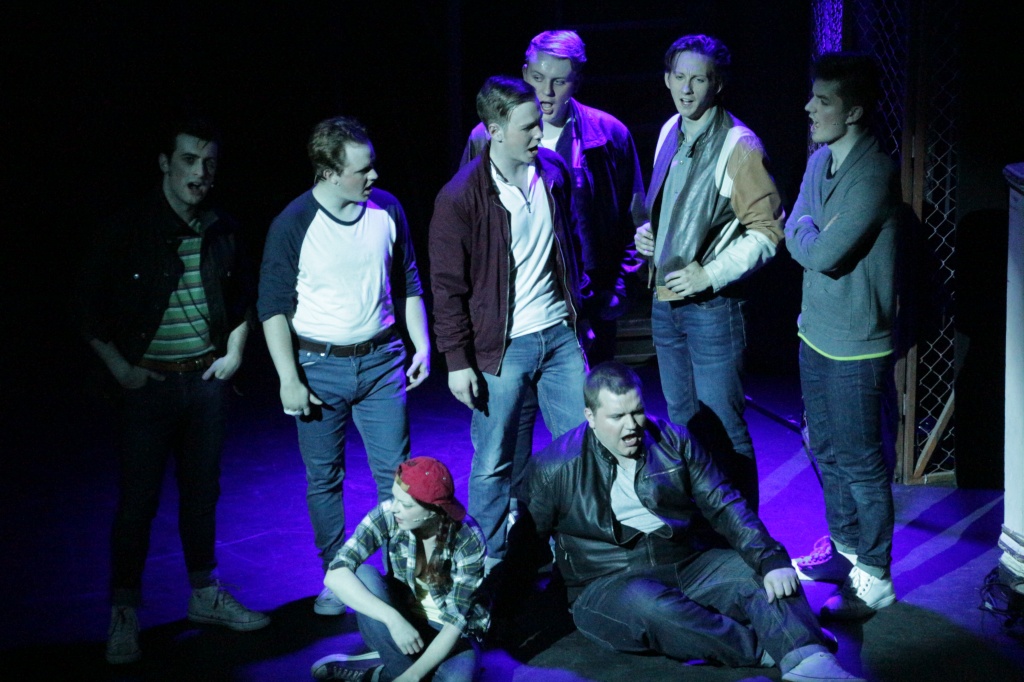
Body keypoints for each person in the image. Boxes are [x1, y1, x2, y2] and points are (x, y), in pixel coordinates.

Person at [514, 362, 864, 681]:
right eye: (617, 416)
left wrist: (769, 558)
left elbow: (724, 503)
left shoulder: (674, 440)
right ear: (590, 416)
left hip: (686, 561)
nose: (631, 426)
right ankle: (769, 646)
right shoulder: (553, 468)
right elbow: (525, 547)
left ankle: (809, 658)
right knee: (648, 606)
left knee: (763, 573)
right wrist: (499, 613)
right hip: (607, 580)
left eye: (637, 412)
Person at [77, 115, 270, 665]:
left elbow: (243, 298)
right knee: (138, 503)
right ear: (165, 163)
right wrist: (122, 370)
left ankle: (204, 595)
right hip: (149, 388)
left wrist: (234, 353)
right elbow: (86, 307)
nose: (200, 172)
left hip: (205, 384)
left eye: (209, 162)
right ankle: (124, 612)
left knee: (202, 496)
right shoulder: (128, 228)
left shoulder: (222, 227)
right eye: (188, 160)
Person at [258, 117, 430, 615]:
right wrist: (288, 378)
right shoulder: (294, 223)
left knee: (396, 476)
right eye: (362, 169)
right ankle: (338, 576)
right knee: (324, 478)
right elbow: (272, 307)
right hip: (319, 367)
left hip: (381, 361)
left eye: (373, 165)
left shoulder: (387, 209)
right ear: (330, 173)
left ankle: (400, 576)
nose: (373, 176)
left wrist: (422, 345)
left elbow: (409, 281)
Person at [429, 76, 588, 568]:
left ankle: (582, 554)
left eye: (540, 123)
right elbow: (447, 288)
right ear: (494, 131)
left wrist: (582, 304)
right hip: (501, 348)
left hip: (558, 335)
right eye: (527, 127)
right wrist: (457, 361)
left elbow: (571, 244)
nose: (539, 133)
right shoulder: (460, 197)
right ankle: (489, 565)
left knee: (583, 449)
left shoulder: (553, 171)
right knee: (494, 461)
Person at [634, 34, 785, 510]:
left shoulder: (739, 144)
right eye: (679, 77)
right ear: (666, 79)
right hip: (666, 301)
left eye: (698, 79)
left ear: (717, 84)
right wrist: (650, 235)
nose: (686, 89)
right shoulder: (669, 130)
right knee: (683, 422)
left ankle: (746, 536)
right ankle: (701, 523)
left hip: (713, 309)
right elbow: (673, 212)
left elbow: (767, 232)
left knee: (724, 426)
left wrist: (710, 275)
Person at [785, 52, 900, 619]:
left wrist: (808, 234)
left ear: (853, 112)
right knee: (824, 448)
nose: (809, 108)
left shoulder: (874, 173)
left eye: (823, 100)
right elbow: (794, 227)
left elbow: (823, 253)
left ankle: (875, 575)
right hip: (815, 333)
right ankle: (847, 549)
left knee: (860, 461)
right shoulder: (818, 162)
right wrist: (808, 233)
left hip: (856, 346)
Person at [461, 29, 644, 364]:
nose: (545, 92)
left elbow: (634, 219)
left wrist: (619, 289)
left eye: (559, 82)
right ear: (523, 72)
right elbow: (466, 225)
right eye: (537, 78)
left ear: (577, 82)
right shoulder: (485, 137)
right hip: (513, 303)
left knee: (589, 393)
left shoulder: (609, 134)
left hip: (589, 300)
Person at [311, 457, 488, 682]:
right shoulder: (390, 514)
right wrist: (393, 619)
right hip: (401, 623)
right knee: (362, 575)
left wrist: (413, 676)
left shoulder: (468, 537)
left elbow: (455, 624)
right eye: (395, 498)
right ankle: (392, 662)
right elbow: (335, 574)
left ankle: (380, 670)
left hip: (449, 634)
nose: (394, 507)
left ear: (434, 510)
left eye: (406, 505)